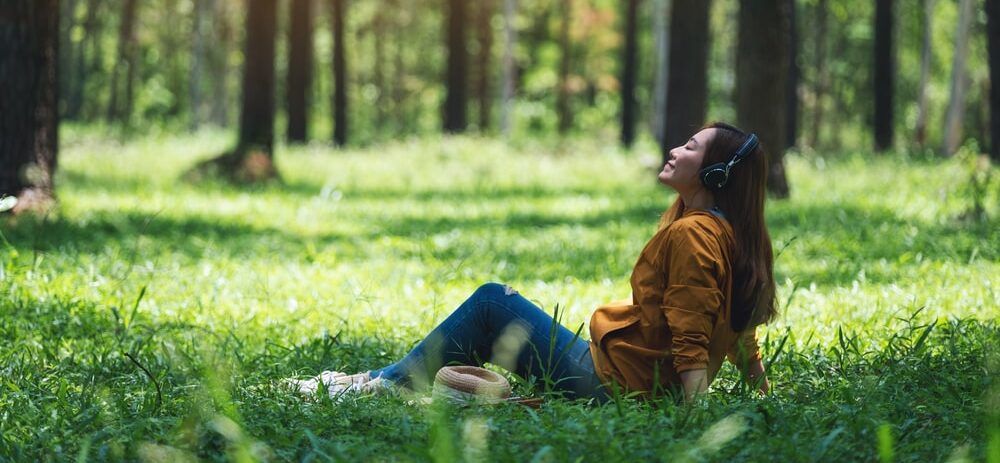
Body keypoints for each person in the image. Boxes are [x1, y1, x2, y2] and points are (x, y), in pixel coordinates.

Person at [287, 122, 775, 403]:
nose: (675, 149)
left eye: (690, 147)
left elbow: (692, 331)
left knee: (492, 302)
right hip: (624, 375)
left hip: (613, 384)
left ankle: (373, 386)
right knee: (495, 306)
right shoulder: (726, 234)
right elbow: (737, 325)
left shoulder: (695, 235)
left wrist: (688, 421)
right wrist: (761, 392)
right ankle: (373, 380)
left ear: (716, 172)